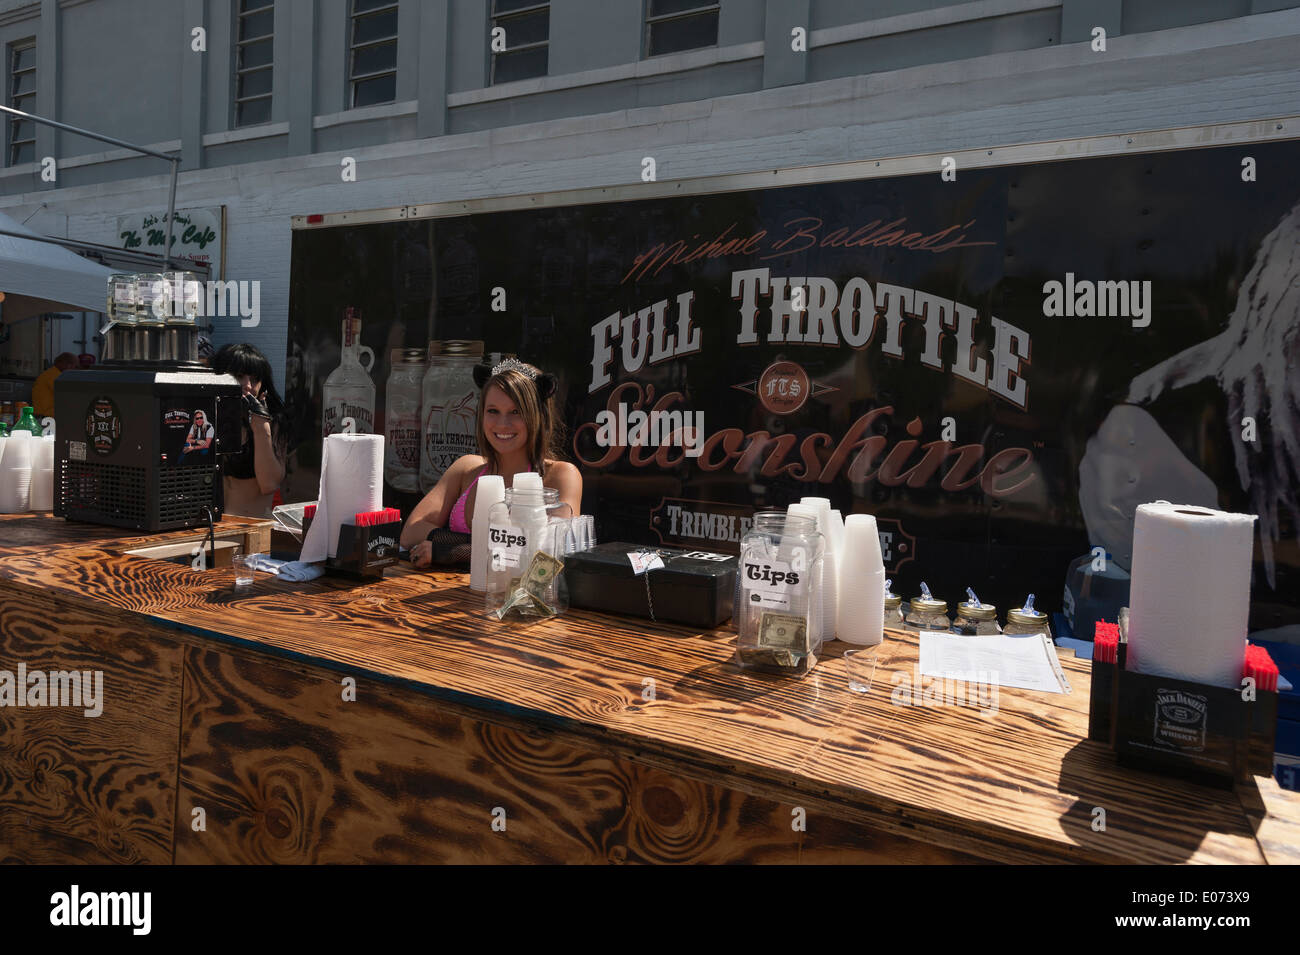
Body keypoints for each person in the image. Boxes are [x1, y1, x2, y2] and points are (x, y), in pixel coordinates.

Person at [402, 358, 581, 568]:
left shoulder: (560, 475)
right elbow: (411, 532)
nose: (502, 424)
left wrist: (449, 551)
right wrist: (468, 549)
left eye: (516, 412)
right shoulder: (466, 468)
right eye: (493, 411)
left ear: (539, 416)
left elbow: (546, 552)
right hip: (440, 594)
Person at [213, 343, 288, 518]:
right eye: (239, 376)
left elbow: (269, 484)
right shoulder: (206, 417)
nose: (248, 386)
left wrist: (261, 428)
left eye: (254, 379)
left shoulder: (273, 421)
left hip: (250, 527)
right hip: (207, 528)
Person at [32, 352, 77, 419]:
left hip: (45, 416)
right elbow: (67, 395)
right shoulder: (54, 376)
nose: (74, 369)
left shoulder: (51, 374)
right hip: (46, 417)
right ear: (67, 364)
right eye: (74, 366)